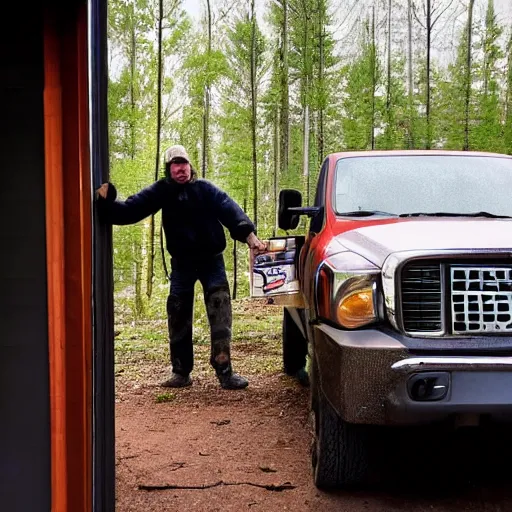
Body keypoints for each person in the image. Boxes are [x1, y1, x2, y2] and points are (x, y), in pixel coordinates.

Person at [96, 144, 266, 390]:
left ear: (190, 166)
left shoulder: (205, 189)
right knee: (178, 313)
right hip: (182, 265)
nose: (181, 169)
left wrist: (251, 238)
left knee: (221, 312)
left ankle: (225, 370)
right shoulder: (161, 191)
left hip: (212, 262)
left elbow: (230, 210)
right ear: (169, 169)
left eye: (184, 164)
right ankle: (181, 371)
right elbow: (131, 210)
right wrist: (106, 202)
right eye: (175, 165)